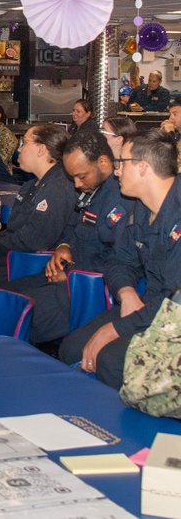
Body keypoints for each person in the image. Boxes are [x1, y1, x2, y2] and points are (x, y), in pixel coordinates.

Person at [60, 130, 181, 389]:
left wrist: (114, 329)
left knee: (111, 361)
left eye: (122, 163)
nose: (116, 171)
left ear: (143, 168)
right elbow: (119, 261)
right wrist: (125, 292)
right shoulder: (140, 208)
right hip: (150, 306)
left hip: (175, 317)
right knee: (72, 349)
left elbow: (173, 300)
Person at [0, 131, 128, 344]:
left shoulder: (121, 198)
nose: (76, 184)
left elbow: (118, 258)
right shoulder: (93, 190)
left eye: (81, 176)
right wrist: (65, 246)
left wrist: (72, 272)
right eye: (72, 177)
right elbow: (79, 230)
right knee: (1, 298)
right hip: (67, 272)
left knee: (12, 316)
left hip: (88, 288)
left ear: (103, 162)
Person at [0, 123, 77, 283]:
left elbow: (31, 240)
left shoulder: (59, 187)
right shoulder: (30, 186)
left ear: (42, 149)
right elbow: (11, 231)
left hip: (33, 266)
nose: (19, 149)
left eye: (24, 143)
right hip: (11, 258)